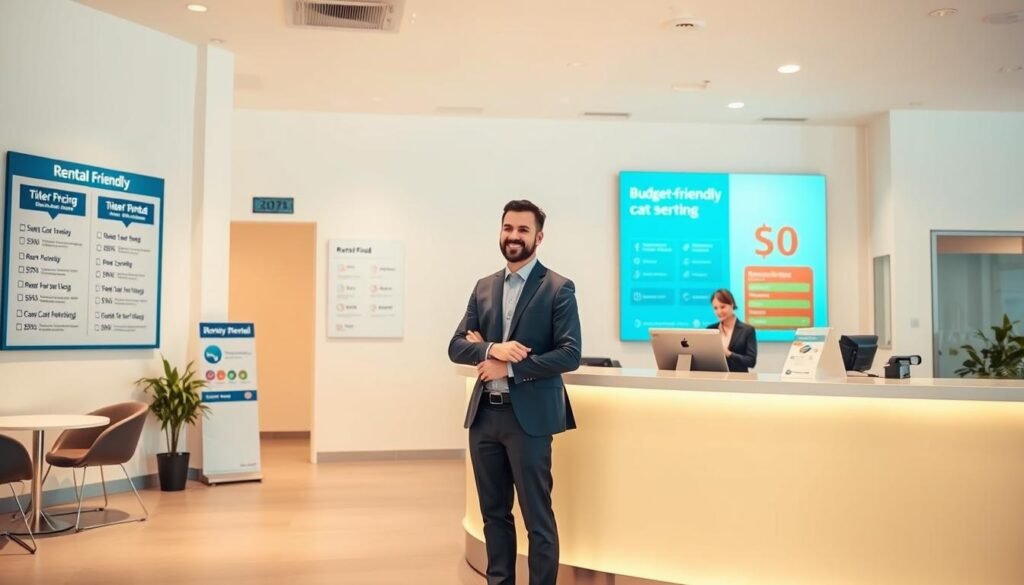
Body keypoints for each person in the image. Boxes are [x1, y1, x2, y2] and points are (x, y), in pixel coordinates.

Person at [448, 199, 582, 585]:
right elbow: (457, 345)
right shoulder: (484, 287)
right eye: (508, 228)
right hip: (484, 418)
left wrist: (507, 365)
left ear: (538, 237)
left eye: (523, 230)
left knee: (537, 518)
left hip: (530, 421)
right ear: (500, 232)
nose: (514, 236)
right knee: (494, 515)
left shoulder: (558, 288)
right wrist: (491, 348)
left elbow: (569, 353)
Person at [706, 288, 757, 372]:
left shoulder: (747, 330)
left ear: (732, 304)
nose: (719, 311)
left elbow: (751, 361)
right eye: (715, 308)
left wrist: (729, 354)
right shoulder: (710, 329)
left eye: (722, 307)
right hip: (715, 379)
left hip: (738, 380)